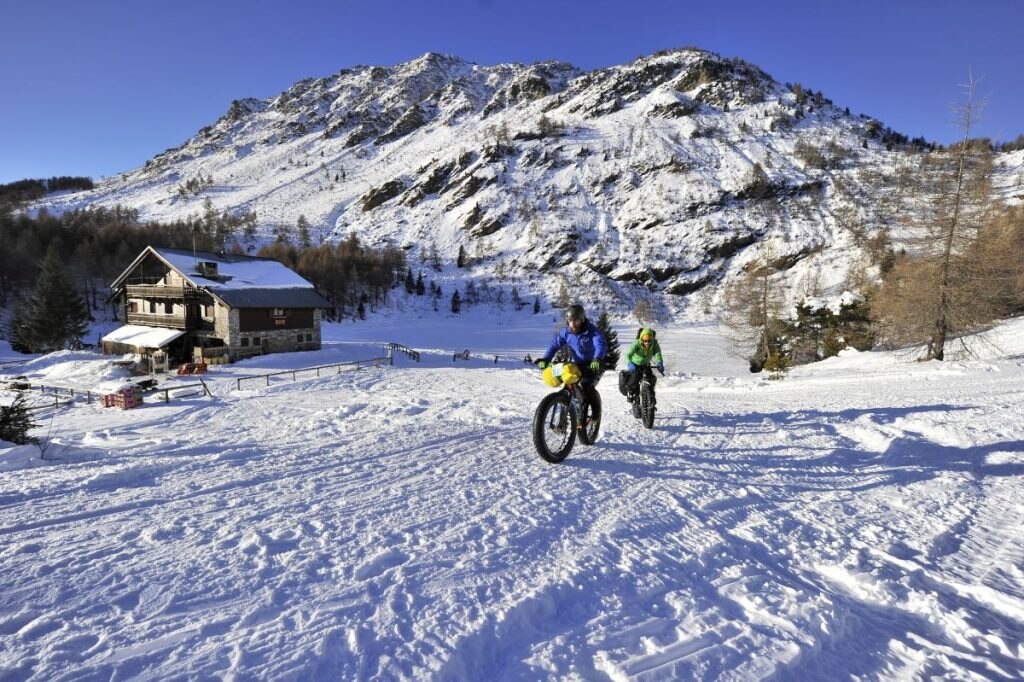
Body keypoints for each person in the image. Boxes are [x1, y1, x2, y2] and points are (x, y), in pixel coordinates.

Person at [535, 303, 608, 411]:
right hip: (578, 364)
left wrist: (597, 359)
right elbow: (554, 345)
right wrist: (546, 359)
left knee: (587, 386)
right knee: (568, 379)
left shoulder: (592, 331)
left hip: (594, 364)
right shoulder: (566, 332)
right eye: (570, 321)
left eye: (576, 321)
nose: (573, 325)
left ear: (582, 320)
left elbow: (600, 345)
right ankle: (567, 403)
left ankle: (596, 413)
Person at [621, 328, 664, 402]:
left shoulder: (654, 344)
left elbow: (657, 354)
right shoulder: (636, 343)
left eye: (649, 340)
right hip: (635, 365)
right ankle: (630, 392)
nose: (647, 343)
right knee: (634, 378)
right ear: (641, 339)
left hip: (645, 365)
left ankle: (651, 395)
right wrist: (629, 363)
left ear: (652, 339)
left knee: (652, 378)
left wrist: (659, 362)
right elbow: (628, 355)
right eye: (645, 341)